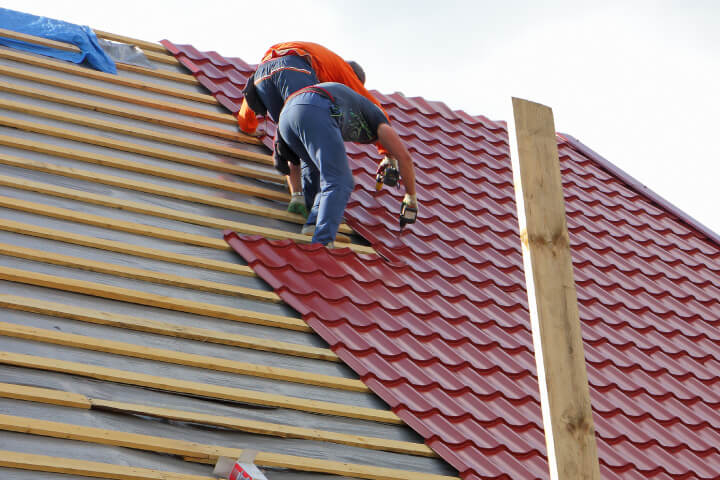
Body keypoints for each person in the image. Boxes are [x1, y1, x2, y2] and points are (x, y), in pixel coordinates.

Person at [237, 41, 391, 221]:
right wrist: (387, 151)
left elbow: (253, 89)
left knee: (289, 132)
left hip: (262, 75)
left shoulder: (319, 63)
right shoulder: (345, 73)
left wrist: (247, 125)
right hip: (295, 71)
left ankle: (297, 197)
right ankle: (311, 204)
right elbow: (372, 108)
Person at [276, 82, 418, 246]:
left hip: (287, 115)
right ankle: (322, 244)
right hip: (316, 107)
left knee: (323, 170)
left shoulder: (358, 107)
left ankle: (313, 223)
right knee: (340, 180)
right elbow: (405, 158)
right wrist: (411, 196)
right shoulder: (380, 120)